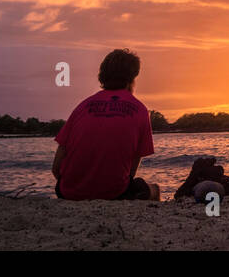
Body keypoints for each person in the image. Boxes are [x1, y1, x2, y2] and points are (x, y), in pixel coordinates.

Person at [52, 49, 159, 201]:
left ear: (102, 75)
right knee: (154, 189)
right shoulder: (140, 110)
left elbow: (56, 167)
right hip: (114, 193)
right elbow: (130, 173)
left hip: (68, 192)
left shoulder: (82, 106)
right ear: (133, 77)